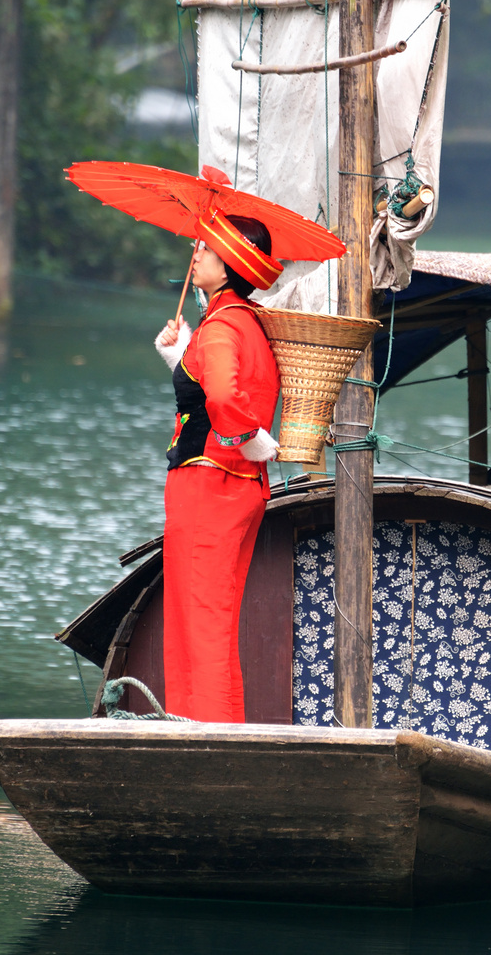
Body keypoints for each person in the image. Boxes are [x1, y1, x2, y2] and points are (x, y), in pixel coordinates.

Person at [152, 212, 283, 722]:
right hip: (229, 484)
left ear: (230, 263)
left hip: (211, 483)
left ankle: (203, 736)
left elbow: (227, 396)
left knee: (199, 618)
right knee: (205, 617)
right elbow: (215, 388)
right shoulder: (237, 321)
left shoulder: (224, 325)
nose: (196, 253)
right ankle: (201, 729)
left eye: (206, 247)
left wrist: (245, 437)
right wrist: (183, 355)